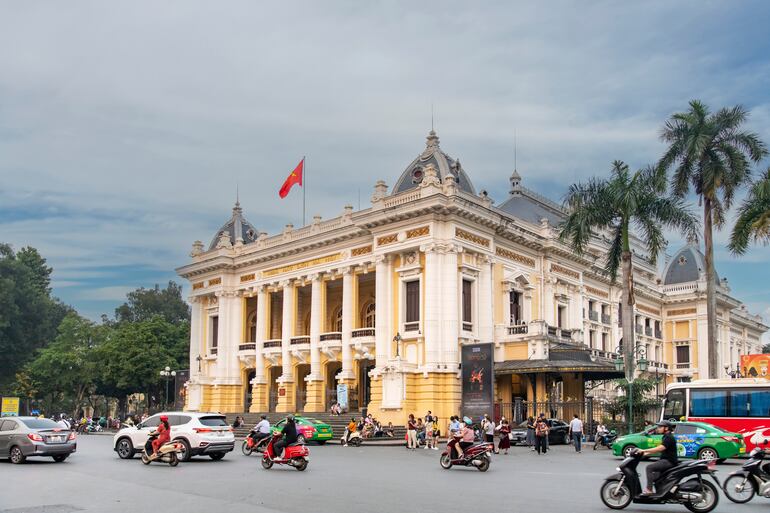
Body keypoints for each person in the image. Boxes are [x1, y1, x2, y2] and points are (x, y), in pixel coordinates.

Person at [640, 420, 678, 495]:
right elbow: (660, 449)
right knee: (654, 477)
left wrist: (644, 450)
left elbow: (660, 448)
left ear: (666, 428)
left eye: (660, 427)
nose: (658, 428)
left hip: (669, 461)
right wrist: (646, 453)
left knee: (649, 468)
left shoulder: (669, 437)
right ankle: (661, 492)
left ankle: (649, 490)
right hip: (666, 460)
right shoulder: (665, 436)